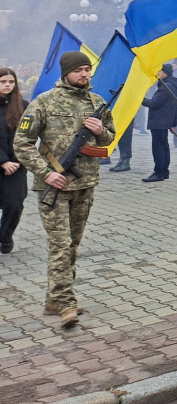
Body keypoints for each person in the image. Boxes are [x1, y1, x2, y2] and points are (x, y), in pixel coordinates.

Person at [13, 51, 115, 327]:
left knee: (73, 245)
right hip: (54, 186)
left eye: (87, 69)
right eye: (78, 70)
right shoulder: (44, 102)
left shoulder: (98, 102)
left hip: (85, 183)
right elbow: (22, 143)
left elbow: (110, 136)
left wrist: (99, 130)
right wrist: (46, 173)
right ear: (65, 72)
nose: (84, 74)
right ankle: (67, 304)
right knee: (60, 245)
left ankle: (53, 299)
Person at [0, 67, 29, 254]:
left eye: (11, 82)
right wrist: (3, 161)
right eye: (3, 82)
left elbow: (28, 135)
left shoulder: (24, 105)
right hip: (2, 162)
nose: (7, 85)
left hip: (17, 166)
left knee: (15, 204)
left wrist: (17, 160)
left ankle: (5, 236)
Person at [142, 64, 177, 182]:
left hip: (160, 121)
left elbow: (155, 103)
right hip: (164, 121)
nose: (158, 73)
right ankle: (164, 172)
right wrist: (173, 122)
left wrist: (140, 99)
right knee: (163, 146)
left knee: (158, 147)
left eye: (159, 71)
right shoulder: (171, 85)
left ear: (165, 73)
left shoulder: (166, 86)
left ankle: (159, 172)